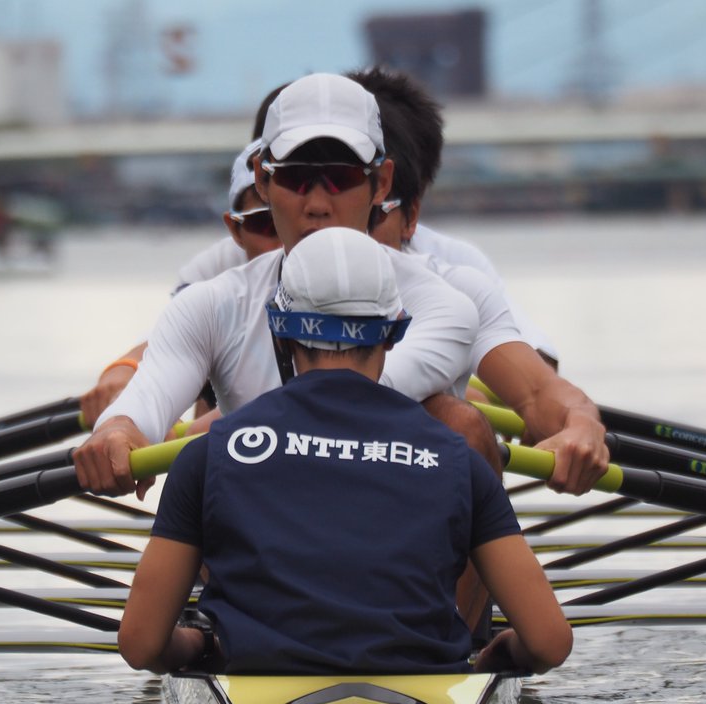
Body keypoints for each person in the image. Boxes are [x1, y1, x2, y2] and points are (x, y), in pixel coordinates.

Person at [117, 227, 572, 676]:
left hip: (257, 679)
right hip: (419, 691)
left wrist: (196, 645)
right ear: (395, 332)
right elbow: (549, 642)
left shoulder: (206, 455)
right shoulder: (458, 460)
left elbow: (141, 645)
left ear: (279, 328)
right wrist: (496, 655)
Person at [73, 72, 479, 501]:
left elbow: (337, 402)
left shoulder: (442, 307)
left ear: (381, 183)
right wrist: (118, 429)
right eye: (295, 178)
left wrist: (217, 428)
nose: (318, 205)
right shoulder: (209, 305)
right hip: (260, 544)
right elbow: (146, 401)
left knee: (461, 424)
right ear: (262, 180)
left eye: (340, 178)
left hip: (398, 535)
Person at [350, 67, 608, 493]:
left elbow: (537, 384)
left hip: (416, 471)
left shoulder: (456, 281)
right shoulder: (235, 288)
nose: (337, 225)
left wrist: (579, 423)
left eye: (370, 205)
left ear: (407, 209)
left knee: (460, 423)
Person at [79, 139, 283, 428]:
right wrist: (121, 381)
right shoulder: (214, 267)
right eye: (265, 223)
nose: (284, 238)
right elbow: (175, 346)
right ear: (236, 229)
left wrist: (192, 433)